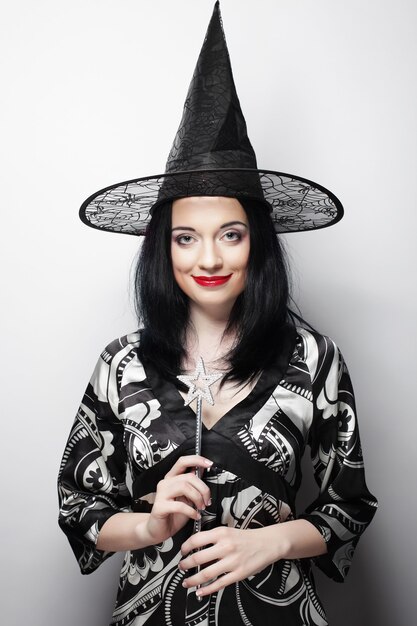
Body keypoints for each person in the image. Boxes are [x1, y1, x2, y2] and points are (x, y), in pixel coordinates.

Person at [58, 3, 377, 625]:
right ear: (163, 247)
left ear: (256, 241)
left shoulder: (314, 359)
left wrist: (272, 541)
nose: (208, 257)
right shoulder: (119, 365)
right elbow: (80, 511)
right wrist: (151, 521)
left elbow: (349, 506)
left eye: (230, 234)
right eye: (186, 237)